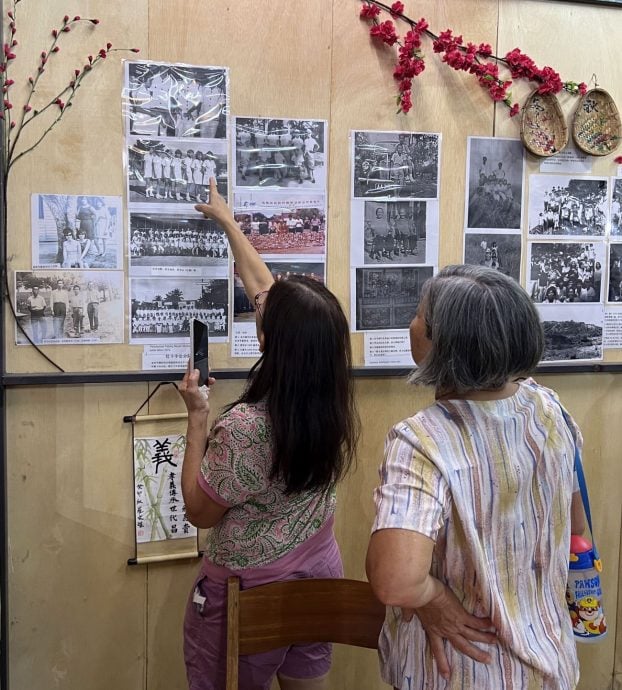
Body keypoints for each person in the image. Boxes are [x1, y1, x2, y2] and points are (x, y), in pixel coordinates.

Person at [366, 265, 584, 690]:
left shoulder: (423, 441)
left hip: (462, 668)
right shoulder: (549, 408)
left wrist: (433, 597)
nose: (411, 323)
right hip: (549, 663)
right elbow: (575, 520)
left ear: (442, 346)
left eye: (418, 316)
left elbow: (395, 580)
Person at [179, 177, 359, 690]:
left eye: (263, 314)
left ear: (271, 340)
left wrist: (196, 418)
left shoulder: (246, 429)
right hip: (318, 571)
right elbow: (265, 289)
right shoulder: (330, 395)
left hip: (247, 593)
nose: (260, 301)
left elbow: (198, 510)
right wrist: (229, 222)